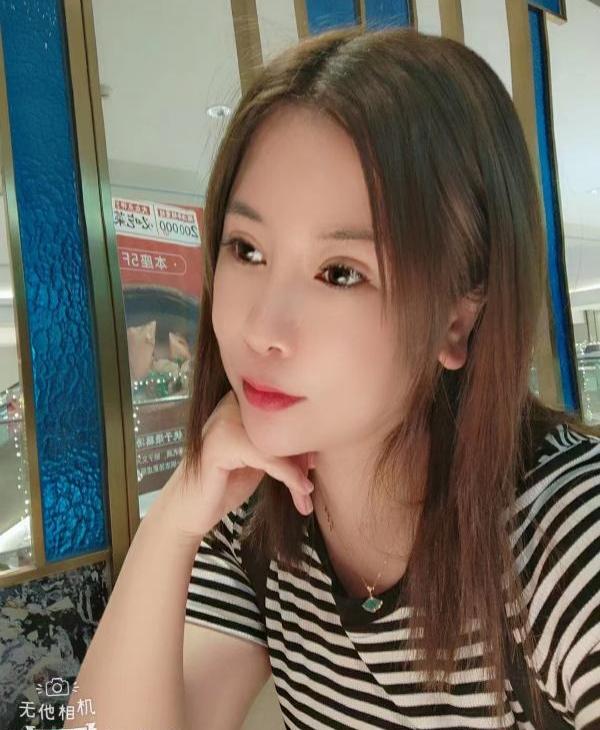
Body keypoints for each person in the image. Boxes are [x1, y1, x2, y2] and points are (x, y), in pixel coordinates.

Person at [66, 26, 600, 730]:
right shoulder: (255, 522)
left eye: (340, 273)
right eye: (246, 249)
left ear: (455, 320)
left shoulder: (565, 536)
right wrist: (174, 519)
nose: (262, 328)